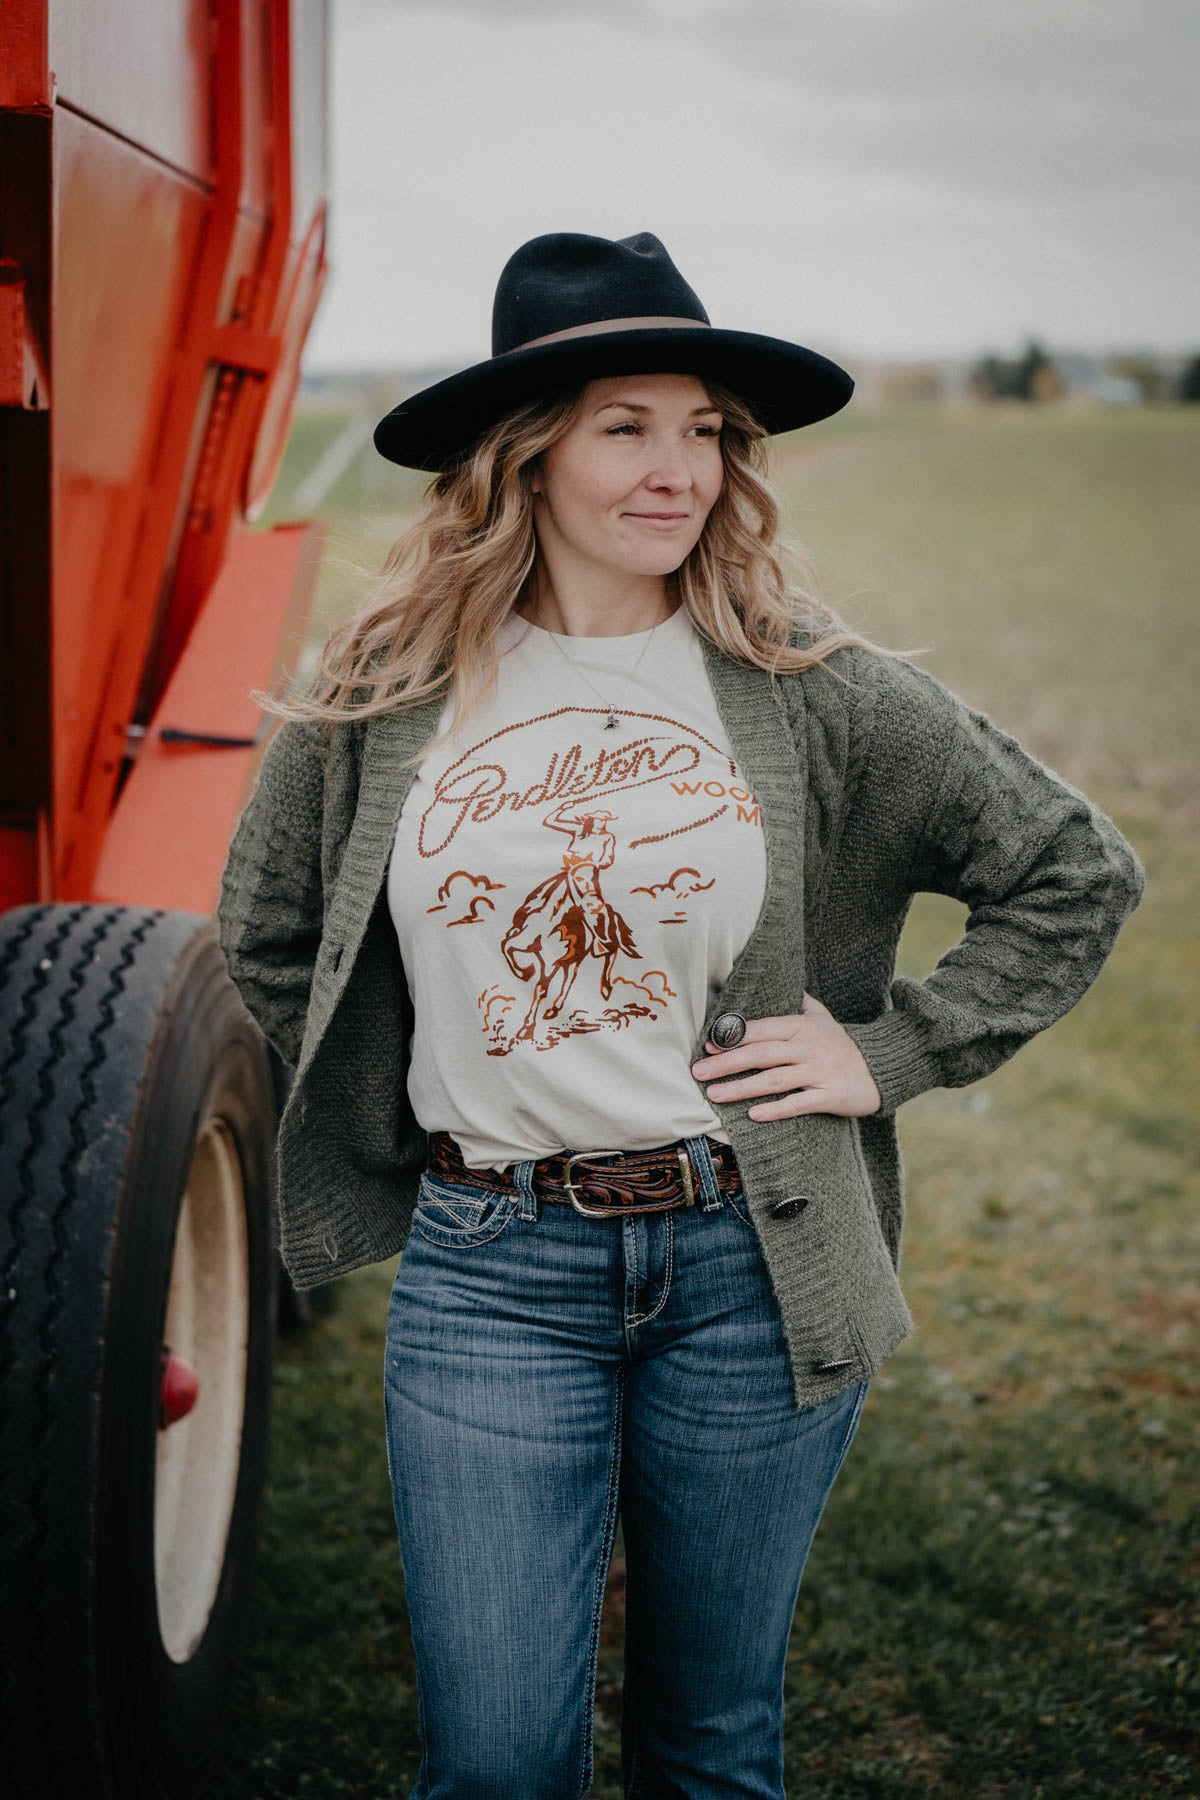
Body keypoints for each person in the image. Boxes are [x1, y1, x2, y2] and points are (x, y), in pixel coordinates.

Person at [216, 231, 1146, 1798]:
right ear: (526, 453)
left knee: (710, 1748)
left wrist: (891, 1046)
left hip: (750, 1261)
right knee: (499, 1764)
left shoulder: (806, 685)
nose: (683, 468)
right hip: (490, 1276)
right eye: (629, 426)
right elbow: (272, 927)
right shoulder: (388, 684)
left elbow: (1071, 868)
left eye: (707, 428)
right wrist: (414, 1105)